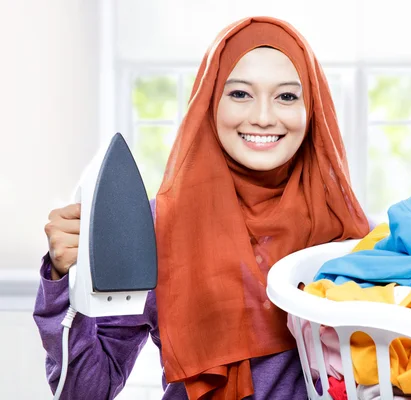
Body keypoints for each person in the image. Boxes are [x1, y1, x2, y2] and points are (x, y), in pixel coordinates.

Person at [34, 16, 370, 400]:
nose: (262, 116)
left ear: (314, 112)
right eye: (240, 94)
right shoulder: (155, 229)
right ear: (209, 103)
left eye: (287, 96)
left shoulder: (350, 237)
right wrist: (64, 281)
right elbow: (83, 392)